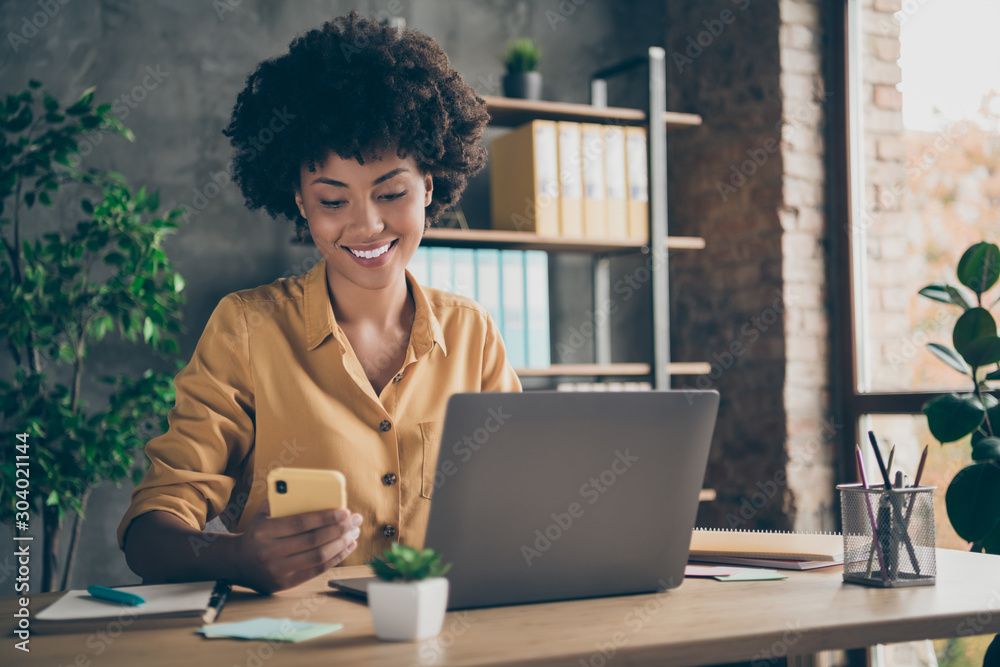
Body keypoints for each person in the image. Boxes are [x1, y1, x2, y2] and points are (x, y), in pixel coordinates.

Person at [118, 10, 521, 595]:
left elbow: (520, 502)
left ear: (429, 187)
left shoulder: (472, 334)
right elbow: (148, 537)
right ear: (301, 202)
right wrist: (235, 557)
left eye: (392, 193)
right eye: (333, 201)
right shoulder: (247, 329)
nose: (368, 225)